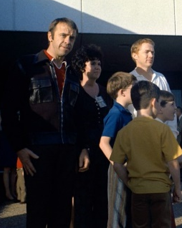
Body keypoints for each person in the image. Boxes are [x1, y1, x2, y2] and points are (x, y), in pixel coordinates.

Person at [2, 18, 91, 228]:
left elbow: (80, 116)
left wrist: (84, 148)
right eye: (63, 35)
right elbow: (8, 110)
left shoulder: (73, 73)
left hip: (68, 151)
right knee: (38, 213)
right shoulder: (26, 65)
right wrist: (19, 148)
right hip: (38, 151)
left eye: (72, 38)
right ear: (50, 36)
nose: (68, 41)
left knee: (62, 213)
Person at [110, 81, 182, 228]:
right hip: (160, 190)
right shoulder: (162, 130)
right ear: (153, 102)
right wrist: (177, 188)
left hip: (138, 190)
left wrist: (129, 182)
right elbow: (173, 162)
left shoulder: (125, 131)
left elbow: (117, 164)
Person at [70, 45, 111, 228]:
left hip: (104, 152)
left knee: (103, 199)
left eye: (99, 64)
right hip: (83, 154)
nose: (97, 67)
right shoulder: (74, 91)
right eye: (93, 63)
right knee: (83, 201)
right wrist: (82, 148)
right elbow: (72, 124)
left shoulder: (105, 92)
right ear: (82, 66)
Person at [100, 72, 136, 228]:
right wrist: (117, 164)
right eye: (133, 89)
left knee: (127, 211)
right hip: (118, 169)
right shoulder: (115, 113)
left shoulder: (126, 113)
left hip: (127, 167)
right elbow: (103, 142)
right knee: (118, 214)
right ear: (122, 92)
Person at [128, 38, 179, 134]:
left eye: (153, 52)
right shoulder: (129, 80)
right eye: (147, 52)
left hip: (163, 135)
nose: (151, 55)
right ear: (135, 55)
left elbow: (170, 106)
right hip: (139, 135)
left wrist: (173, 133)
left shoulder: (161, 78)